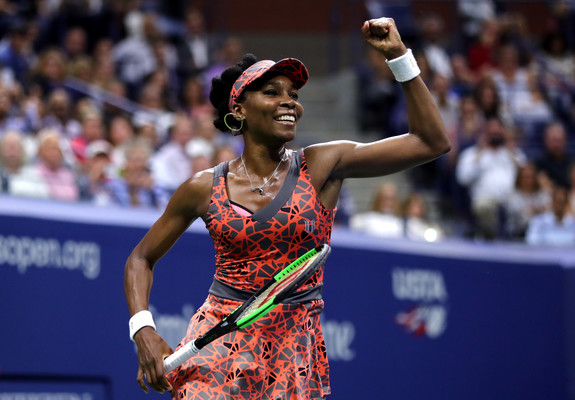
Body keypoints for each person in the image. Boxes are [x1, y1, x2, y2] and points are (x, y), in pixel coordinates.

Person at [124, 17, 449, 398]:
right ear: (240, 109)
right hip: (217, 345)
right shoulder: (203, 186)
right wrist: (142, 329)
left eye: (294, 94)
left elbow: (431, 142)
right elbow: (140, 259)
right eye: (272, 92)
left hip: (294, 353)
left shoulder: (322, 165)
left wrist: (398, 56)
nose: (289, 102)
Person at [456, 116, 527, 239]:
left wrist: (511, 150)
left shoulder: (513, 153)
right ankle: (492, 238)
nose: (494, 135)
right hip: (484, 197)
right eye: (491, 132)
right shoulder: (471, 154)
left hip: (510, 196)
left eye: (497, 132)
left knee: (523, 206)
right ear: (484, 133)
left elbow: (526, 175)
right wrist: (479, 153)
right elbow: (463, 179)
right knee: (483, 207)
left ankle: (516, 238)